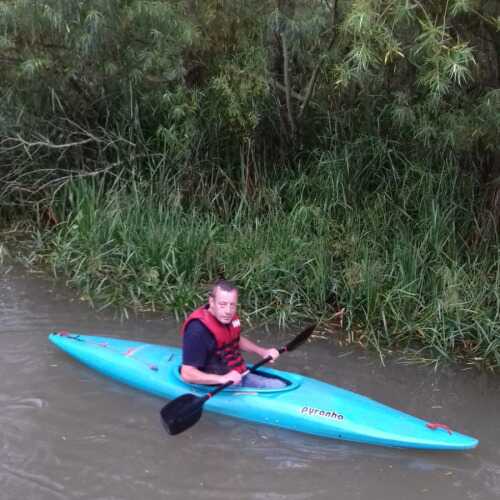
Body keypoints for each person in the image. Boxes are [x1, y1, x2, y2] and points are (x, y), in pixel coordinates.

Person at [180, 279, 287, 389]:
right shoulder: (197, 330)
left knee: (281, 385)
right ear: (211, 301)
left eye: (232, 305)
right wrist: (222, 379)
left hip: (239, 375)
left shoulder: (227, 318)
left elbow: (235, 339)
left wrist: (262, 351)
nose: (228, 311)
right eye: (223, 304)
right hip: (217, 385)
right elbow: (187, 373)